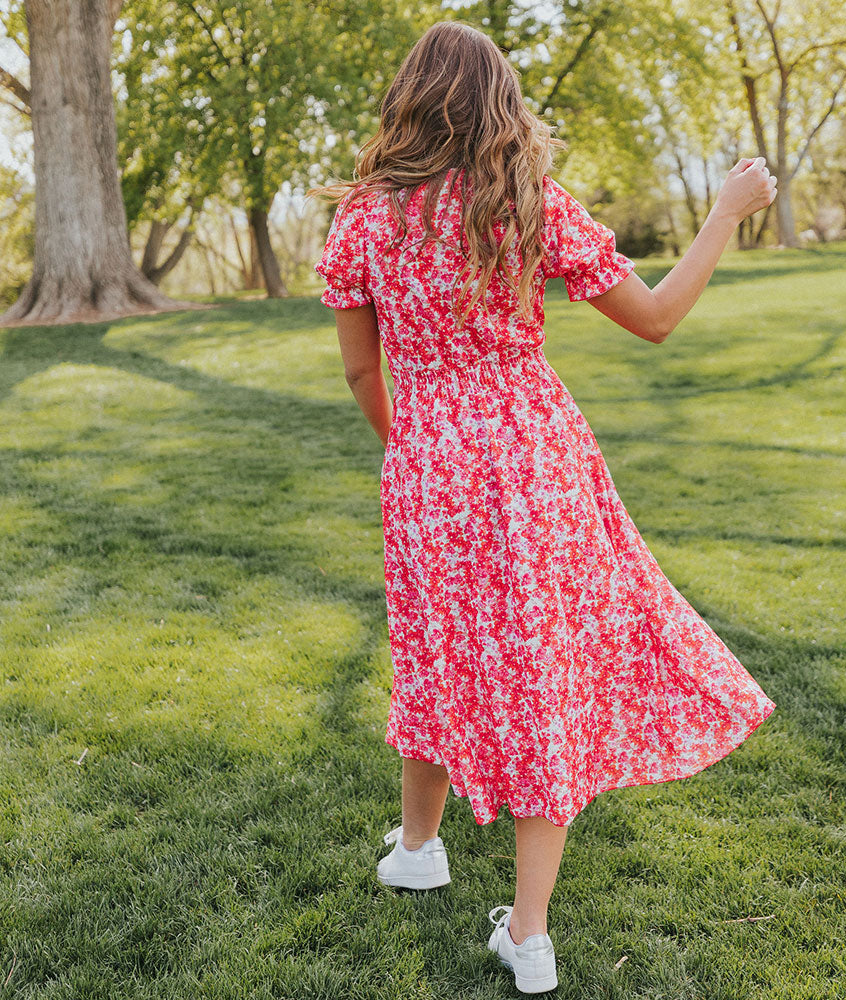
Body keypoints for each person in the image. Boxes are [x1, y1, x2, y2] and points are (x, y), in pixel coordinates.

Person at [310, 19, 778, 995]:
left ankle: (420, 848)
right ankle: (521, 927)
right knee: (537, 675)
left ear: (407, 101)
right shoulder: (528, 204)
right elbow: (653, 320)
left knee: (434, 652)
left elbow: (362, 368)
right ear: (498, 105)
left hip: (429, 466)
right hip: (540, 462)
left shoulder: (365, 220)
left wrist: (413, 447)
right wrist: (725, 213)